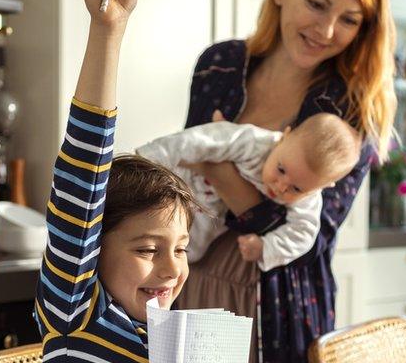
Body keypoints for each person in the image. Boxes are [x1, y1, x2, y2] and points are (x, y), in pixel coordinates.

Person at [35, 0, 270, 363]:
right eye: (146, 250)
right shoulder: (78, 313)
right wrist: (108, 32)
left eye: (181, 249)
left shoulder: (176, 337)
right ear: (92, 247)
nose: (171, 270)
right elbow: (82, 172)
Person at [181, 0, 397, 363]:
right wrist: (218, 178)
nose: (326, 30)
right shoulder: (219, 65)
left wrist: (221, 170)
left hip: (283, 305)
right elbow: (185, 180)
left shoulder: (352, 107)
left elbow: (305, 231)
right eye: (316, 4)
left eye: (350, 20)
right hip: (193, 280)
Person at [136, 112, 360, 271]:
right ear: (284, 136)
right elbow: (198, 140)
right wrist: (149, 159)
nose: (281, 187)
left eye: (296, 188)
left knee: (188, 250)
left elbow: (304, 233)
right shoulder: (253, 141)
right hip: (185, 179)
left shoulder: (310, 196)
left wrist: (266, 247)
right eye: (281, 169)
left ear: (321, 188)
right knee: (146, 210)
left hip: (212, 211)